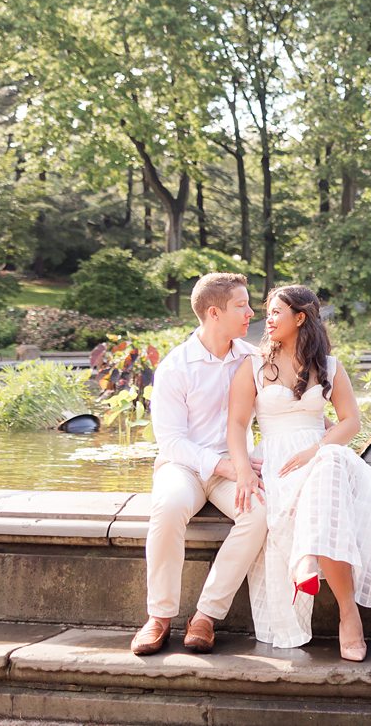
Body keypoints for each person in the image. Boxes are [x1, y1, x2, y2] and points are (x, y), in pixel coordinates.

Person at [227, 284, 371, 661]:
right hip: (278, 463)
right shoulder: (253, 367)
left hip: (321, 454)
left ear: (300, 318)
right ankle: (346, 610)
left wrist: (316, 449)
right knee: (329, 471)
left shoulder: (329, 367)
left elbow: (351, 422)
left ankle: (314, 565)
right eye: (268, 312)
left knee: (332, 460)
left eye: (276, 312)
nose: (268, 319)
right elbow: (236, 425)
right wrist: (243, 472)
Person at [130, 272, 266, 657]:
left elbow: (275, 411)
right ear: (213, 312)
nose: (250, 313)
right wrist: (225, 468)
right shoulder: (175, 367)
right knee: (169, 506)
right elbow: (172, 441)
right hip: (184, 467)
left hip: (236, 465)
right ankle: (158, 616)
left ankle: (205, 615)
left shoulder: (252, 359)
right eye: (241, 306)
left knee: (260, 515)